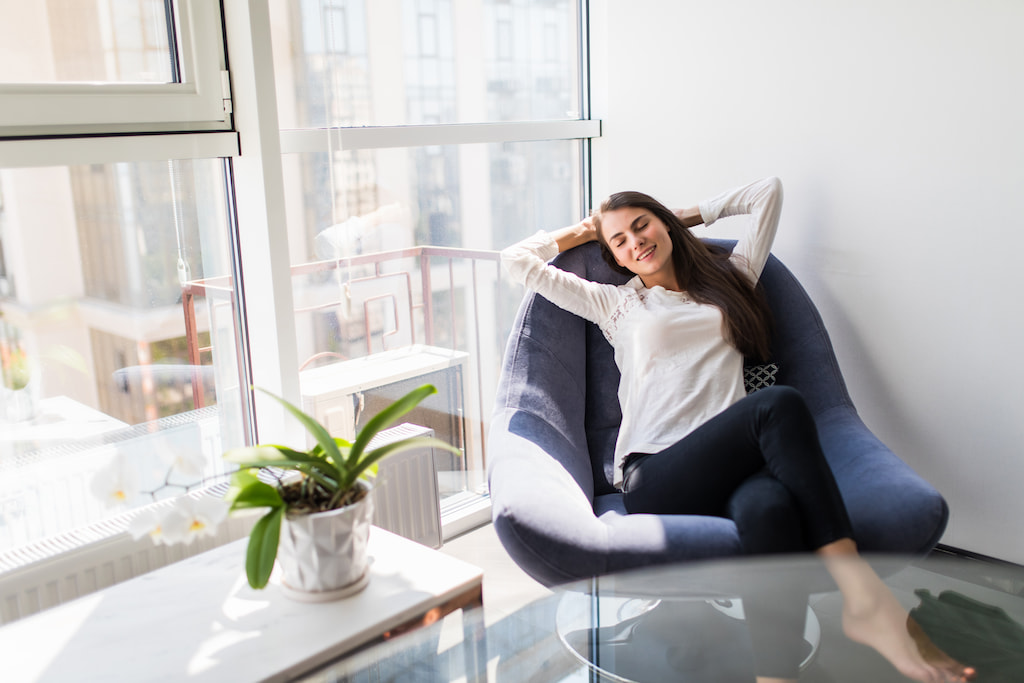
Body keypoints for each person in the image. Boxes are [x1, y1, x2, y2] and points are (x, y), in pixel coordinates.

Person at [500, 177, 973, 683]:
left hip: (736, 466)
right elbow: (516, 262)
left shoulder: (733, 279)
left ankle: (775, 675)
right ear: (614, 256)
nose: (635, 241)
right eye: (620, 241)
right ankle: (866, 601)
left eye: (643, 225)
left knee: (773, 509)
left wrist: (687, 215)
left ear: (665, 224)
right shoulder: (615, 305)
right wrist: (587, 229)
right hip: (658, 473)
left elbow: (766, 193)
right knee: (778, 405)